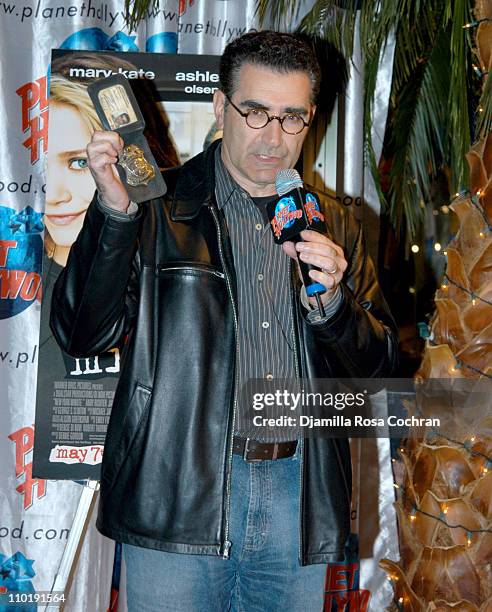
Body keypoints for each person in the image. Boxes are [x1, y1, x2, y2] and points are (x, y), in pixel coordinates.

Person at [51, 31, 398, 611]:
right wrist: (114, 216)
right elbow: (85, 333)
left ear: (311, 119)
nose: (273, 137)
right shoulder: (156, 208)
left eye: (292, 118)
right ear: (220, 105)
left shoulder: (337, 223)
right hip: (177, 490)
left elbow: (378, 370)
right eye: (256, 111)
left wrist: (333, 306)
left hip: (297, 494)